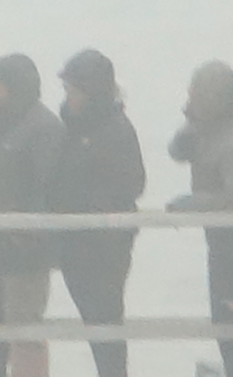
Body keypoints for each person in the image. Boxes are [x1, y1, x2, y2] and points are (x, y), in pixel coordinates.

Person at [168, 61, 233, 377]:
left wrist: (191, 203)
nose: (190, 103)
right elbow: (177, 152)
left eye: (196, 97)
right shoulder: (207, 126)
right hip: (220, 236)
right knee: (223, 316)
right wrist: (186, 133)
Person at [48, 50, 145, 377]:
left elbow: (131, 182)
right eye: (67, 91)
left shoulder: (116, 129)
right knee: (96, 322)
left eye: (73, 91)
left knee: (105, 321)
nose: (68, 98)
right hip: (75, 243)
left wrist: (80, 204)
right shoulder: (72, 129)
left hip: (105, 245)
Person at [0, 53, 63, 377]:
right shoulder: (7, 124)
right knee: (4, 325)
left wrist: (26, 228)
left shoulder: (42, 127)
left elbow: (50, 187)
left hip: (26, 247)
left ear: (15, 87)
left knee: (26, 328)